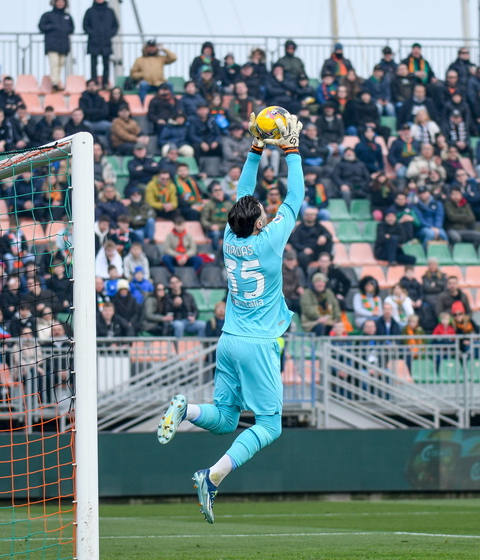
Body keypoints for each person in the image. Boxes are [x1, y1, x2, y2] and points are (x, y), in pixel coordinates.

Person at [156, 112, 305, 524]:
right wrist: (290, 148)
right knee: (270, 425)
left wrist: (256, 147)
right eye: (262, 211)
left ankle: (186, 411)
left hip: (229, 339)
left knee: (224, 421)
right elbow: (295, 197)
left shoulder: (227, 238)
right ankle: (213, 475)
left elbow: (243, 192)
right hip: (257, 343)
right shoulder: (271, 241)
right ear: (259, 222)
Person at [38, 0, 75, 92]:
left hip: (63, 45)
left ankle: (57, 81)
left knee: (60, 64)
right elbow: (41, 26)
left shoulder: (67, 17)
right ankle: (55, 83)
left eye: (62, 2)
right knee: (54, 63)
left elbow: (71, 28)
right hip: (52, 44)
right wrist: (52, 28)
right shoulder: (48, 15)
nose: (60, 3)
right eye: (58, 2)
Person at [83, 0, 119, 88]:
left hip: (106, 42)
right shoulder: (90, 11)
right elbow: (85, 25)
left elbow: (115, 25)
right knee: (93, 64)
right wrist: (93, 34)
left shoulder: (110, 11)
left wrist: (109, 34)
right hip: (93, 42)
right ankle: (94, 82)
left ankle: (105, 83)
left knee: (106, 64)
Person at [128, 39, 177, 104]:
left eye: (153, 47)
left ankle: (173, 105)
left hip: (160, 83)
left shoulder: (161, 58)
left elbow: (173, 58)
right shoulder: (139, 60)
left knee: (169, 85)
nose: (151, 49)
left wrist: (163, 49)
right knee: (143, 85)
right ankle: (142, 106)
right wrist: (143, 75)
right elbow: (133, 73)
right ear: (146, 48)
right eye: (149, 47)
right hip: (148, 83)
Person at [300, 272, 341, 336]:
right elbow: (307, 309)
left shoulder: (329, 293)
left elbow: (335, 306)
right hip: (312, 322)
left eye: (322, 282)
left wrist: (336, 319)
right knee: (320, 327)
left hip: (329, 321)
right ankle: (317, 345)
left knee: (339, 328)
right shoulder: (307, 293)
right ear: (313, 283)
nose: (320, 284)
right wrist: (318, 318)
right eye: (317, 282)